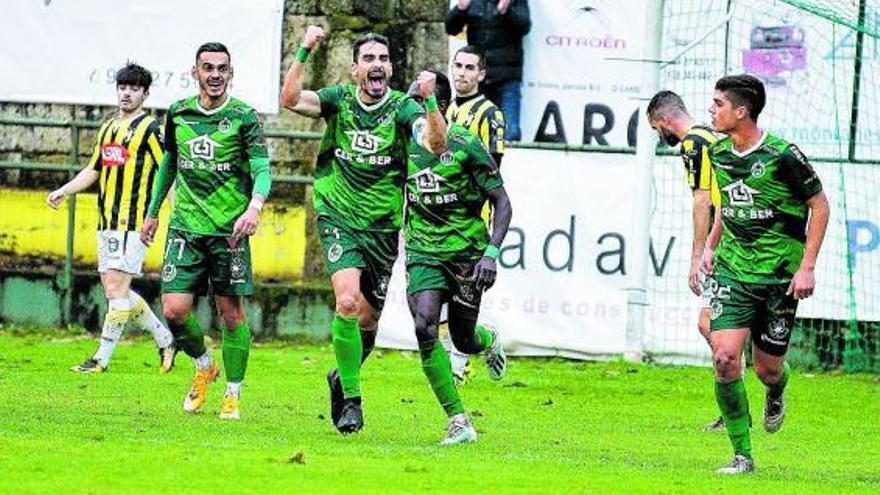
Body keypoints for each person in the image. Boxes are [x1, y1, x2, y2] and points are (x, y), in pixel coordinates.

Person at [279, 26, 447, 434]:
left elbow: (437, 145)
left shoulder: (404, 109)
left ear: (390, 68)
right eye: (369, 59)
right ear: (355, 70)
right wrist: (304, 49)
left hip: (383, 227)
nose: (377, 65)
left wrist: (430, 102)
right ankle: (352, 402)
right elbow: (288, 100)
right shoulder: (337, 100)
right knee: (347, 304)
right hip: (338, 215)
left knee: (367, 325)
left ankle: (341, 376)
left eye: (383, 59)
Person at [703, 74, 829, 474]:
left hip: (777, 276)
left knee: (766, 369)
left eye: (719, 104)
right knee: (724, 357)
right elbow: (727, 203)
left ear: (742, 112)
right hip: (733, 270)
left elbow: (820, 206)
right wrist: (709, 246)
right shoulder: (719, 153)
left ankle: (776, 388)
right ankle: (742, 455)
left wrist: (806, 267)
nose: (712, 110)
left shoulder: (782, 154)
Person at [140, 42, 272, 421]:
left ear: (231, 74)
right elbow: (169, 162)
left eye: (222, 69)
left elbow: (262, 169)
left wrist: (254, 206)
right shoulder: (179, 114)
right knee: (174, 310)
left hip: (229, 232)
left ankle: (232, 393)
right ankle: (202, 365)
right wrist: (152, 214)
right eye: (208, 68)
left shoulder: (244, 117)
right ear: (194, 72)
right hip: (185, 227)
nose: (215, 75)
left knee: (231, 316)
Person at [404, 71, 512, 445]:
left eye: (418, 105)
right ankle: (458, 421)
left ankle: (488, 339)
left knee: (464, 339)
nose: (410, 115)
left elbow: (503, 203)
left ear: (440, 107)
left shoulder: (465, 145)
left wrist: (491, 254)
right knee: (424, 327)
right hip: (422, 251)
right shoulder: (402, 145)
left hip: (466, 253)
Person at [47, 63, 176, 374]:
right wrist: (64, 190)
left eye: (134, 88)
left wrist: (176, 214)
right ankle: (166, 340)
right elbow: (94, 169)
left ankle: (100, 360)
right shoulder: (107, 128)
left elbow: (167, 174)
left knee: (117, 293)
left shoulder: (151, 130)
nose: (126, 94)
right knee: (116, 292)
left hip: (134, 223)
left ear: (145, 94)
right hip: (106, 221)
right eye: (123, 87)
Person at [646, 90, 725, 432]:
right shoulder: (711, 134)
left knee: (711, 327)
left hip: (722, 243)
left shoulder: (693, 144)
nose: (658, 135)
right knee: (711, 325)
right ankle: (734, 404)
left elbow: (702, 200)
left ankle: (741, 399)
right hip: (731, 237)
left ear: (664, 121)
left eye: (655, 128)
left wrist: (698, 255)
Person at [442, 44, 507, 385]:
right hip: (437, 218)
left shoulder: (489, 114)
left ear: (481, 74)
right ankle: (472, 349)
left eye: (470, 68)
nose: (462, 73)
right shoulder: (445, 109)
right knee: (436, 294)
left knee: (461, 295)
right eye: (458, 66)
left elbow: (494, 170)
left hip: (470, 220)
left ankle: (458, 365)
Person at [446, 0, 530, 141]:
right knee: (472, 133)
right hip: (478, 80)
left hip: (507, 79)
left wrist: (506, 11)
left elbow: (524, 26)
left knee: (510, 133)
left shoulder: (514, 2)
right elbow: (451, 28)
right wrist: (460, 9)